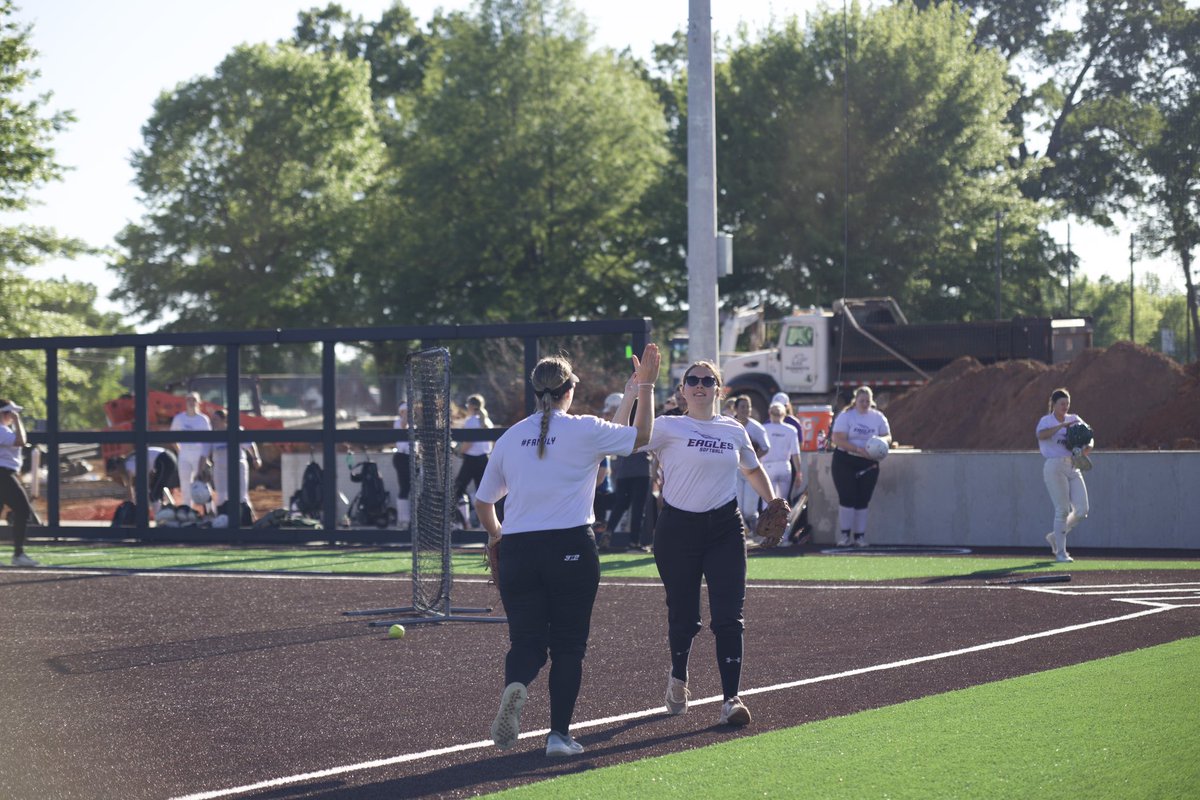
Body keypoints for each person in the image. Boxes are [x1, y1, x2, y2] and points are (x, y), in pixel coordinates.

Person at [477, 344, 659, 758]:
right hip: (570, 547)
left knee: (526, 643)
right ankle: (559, 736)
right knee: (568, 646)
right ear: (569, 391)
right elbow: (640, 437)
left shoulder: (511, 435)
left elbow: (484, 503)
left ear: (536, 391)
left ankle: (516, 686)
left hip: (520, 550)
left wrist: (496, 536)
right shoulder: (583, 428)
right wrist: (645, 386)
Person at [642, 362, 787, 728]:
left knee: (729, 617)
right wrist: (640, 389)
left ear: (720, 391)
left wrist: (771, 503)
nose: (700, 385)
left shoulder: (733, 429)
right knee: (684, 616)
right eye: (693, 380)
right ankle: (678, 677)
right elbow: (631, 437)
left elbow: (752, 469)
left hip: (724, 527)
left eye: (709, 380)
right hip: (677, 528)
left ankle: (731, 699)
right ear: (683, 389)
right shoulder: (666, 426)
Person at [829, 386, 891, 548]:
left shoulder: (878, 417)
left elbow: (888, 436)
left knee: (863, 499)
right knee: (847, 497)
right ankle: (844, 535)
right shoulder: (846, 416)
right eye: (861, 401)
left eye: (867, 401)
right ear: (855, 401)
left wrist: (879, 442)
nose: (864, 404)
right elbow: (837, 438)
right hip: (846, 460)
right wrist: (857, 449)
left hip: (869, 461)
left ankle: (859, 536)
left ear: (872, 402)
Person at [1036, 388, 1092, 563]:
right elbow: (1041, 435)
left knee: (1082, 510)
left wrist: (1087, 448)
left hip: (1073, 464)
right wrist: (1061, 426)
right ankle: (1061, 552)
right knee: (1062, 510)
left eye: (1067, 403)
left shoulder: (1074, 418)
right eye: (1062, 403)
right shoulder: (1046, 421)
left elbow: (1089, 435)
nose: (1065, 407)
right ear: (1054, 404)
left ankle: (1055, 536)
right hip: (1054, 465)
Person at [605, 387, 654, 551]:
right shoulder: (645, 422)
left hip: (624, 470)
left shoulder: (621, 420)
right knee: (638, 507)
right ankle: (634, 541)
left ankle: (608, 532)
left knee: (621, 504)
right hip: (641, 470)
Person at [0, 400, 38, 566]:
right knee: (23, 509)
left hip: (5, 473)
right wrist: (17, 420)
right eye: (10, 413)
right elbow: (21, 440)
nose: (12, 416)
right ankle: (18, 554)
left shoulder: (4, 429)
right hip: (3, 474)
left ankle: (18, 554)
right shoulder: (1, 430)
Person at [210, 409, 260, 521]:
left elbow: (250, 445)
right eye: (212, 419)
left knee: (241, 495)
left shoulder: (236, 430)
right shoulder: (212, 434)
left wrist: (256, 458)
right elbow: (205, 452)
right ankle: (222, 518)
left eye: (215, 419)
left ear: (223, 420)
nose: (213, 422)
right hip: (220, 468)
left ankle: (247, 519)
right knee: (221, 495)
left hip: (238, 466)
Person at [453, 394, 493, 528]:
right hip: (484, 459)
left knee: (458, 489)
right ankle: (485, 525)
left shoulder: (471, 421)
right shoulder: (487, 421)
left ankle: (464, 522)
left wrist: (458, 451)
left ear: (472, 406)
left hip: (471, 460)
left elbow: (468, 443)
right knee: (483, 493)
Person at [732, 396, 770, 528]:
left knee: (749, 510)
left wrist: (750, 457)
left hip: (752, 471)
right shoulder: (729, 425)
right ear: (735, 408)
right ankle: (742, 536)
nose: (746, 409)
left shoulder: (757, 428)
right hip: (734, 471)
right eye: (742, 407)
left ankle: (755, 533)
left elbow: (766, 447)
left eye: (748, 406)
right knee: (738, 508)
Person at [106, 446, 180, 513]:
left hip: (164, 459)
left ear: (116, 469)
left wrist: (131, 505)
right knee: (156, 487)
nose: (113, 478)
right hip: (166, 457)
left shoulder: (129, 467)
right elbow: (149, 477)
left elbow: (130, 489)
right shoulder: (130, 462)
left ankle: (160, 517)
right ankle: (171, 506)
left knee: (154, 494)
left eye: (112, 475)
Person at [170, 392, 211, 510]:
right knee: (185, 483)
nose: (191, 402)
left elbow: (208, 440)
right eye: (189, 400)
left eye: (194, 400)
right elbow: (172, 436)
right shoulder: (179, 418)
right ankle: (188, 510)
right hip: (184, 454)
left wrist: (205, 458)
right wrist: (179, 451)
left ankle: (209, 510)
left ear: (198, 402)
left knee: (202, 482)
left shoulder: (203, 419)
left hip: (199, 454)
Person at [762, 402, 803, 510]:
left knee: (767, 501)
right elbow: (795, 454)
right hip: (785, 467)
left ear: (769, 413)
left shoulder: (763, 428)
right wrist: (799, 472)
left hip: (768, 466)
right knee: (783, 502)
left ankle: (766, 525)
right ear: (784, 414)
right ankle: (783, 526)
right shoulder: (791, 430)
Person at [392, 403, 411, 527]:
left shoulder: (414, 424)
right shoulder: (398, 422)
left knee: (413, 488)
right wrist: (406, 416)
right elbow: (404, 426)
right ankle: (403, 519)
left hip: (412, 457)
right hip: (402, 457)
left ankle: (411, 518)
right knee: (404, 488)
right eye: (404, 411)